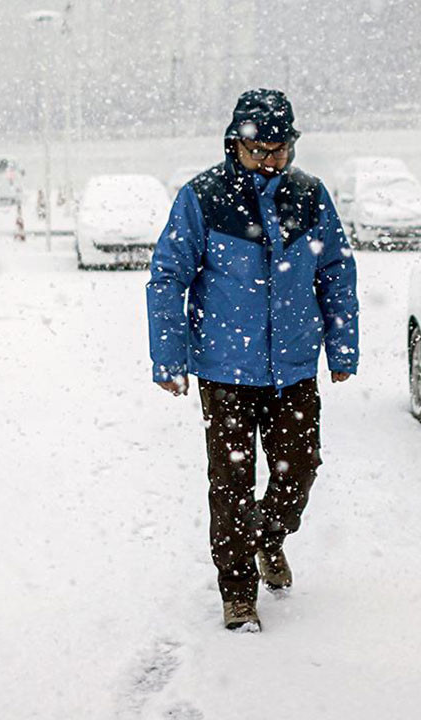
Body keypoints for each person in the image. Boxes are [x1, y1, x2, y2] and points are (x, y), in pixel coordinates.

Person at [146, 88, 359, 633]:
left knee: (300, 473)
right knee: (231, 484)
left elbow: (335, 270)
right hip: (226, 372)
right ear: (234, 145)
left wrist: (341, 346)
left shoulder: (310, 196)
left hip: (292, 370)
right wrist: (169, 358)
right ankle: (238, 591)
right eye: (261, 150)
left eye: (281, 149)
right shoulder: (202, 197)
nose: (272, 160)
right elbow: (169, 277)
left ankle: (269, 537)